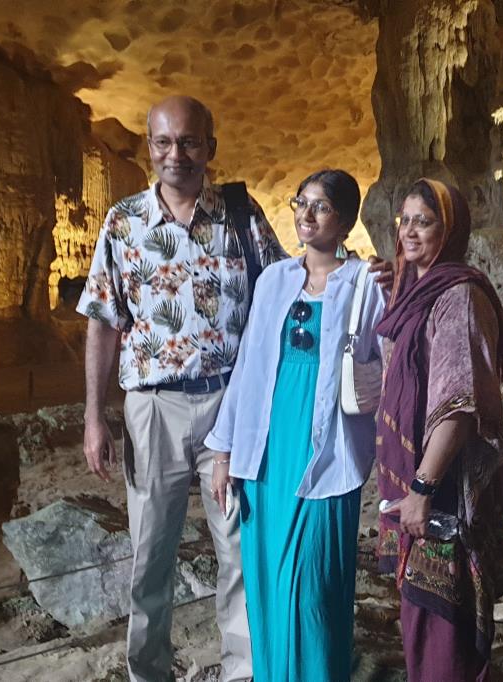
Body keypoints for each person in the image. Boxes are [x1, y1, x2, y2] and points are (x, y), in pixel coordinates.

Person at [79, 96, 287, 681]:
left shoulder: (243, 217)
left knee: (239, 552)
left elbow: (287, 292)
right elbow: (102, 321)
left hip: (230, 407)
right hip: (154, 409)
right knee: (150, 554)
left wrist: (350, 272)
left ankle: (244, 672)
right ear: (150, 148)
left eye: (190, 142)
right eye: (165, 142)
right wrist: (95, 417)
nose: (177, 154)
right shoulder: (123, 224)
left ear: (210, 149)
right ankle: (149, 673)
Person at [204, 169, 385, 681]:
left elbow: (392, 347)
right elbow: (249, 368)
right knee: (266, 586)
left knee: (316, 592)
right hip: (267, 451)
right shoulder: (274, 280)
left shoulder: (365, 282)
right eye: (300, 203)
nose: (306, 215)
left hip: (328, 452)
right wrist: (224, 454)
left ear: (346, 220)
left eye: (321, 206)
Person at [375, 179, 503, 681]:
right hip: (425, 490)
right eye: (405, 220)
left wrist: (422, 487)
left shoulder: (458, 296)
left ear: (450, 230)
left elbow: (459, 406)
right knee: (422, 624)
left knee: (443, 631)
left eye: (425, 221)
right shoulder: (420, 290)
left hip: (444, 493)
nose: (410, 232)